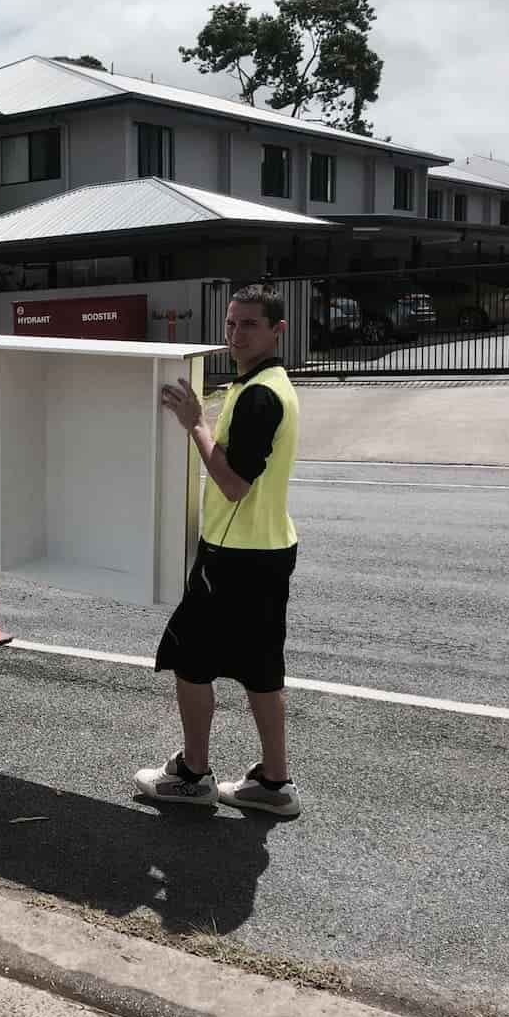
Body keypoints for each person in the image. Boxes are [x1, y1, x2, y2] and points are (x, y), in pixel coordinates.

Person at [135, 284, 302, 817]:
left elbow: (233, 484)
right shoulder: (264, 383)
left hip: (235, 557)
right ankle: (274, 784)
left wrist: (195, 426)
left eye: (249, 325)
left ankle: (192, 774)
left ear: (277, 330)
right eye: (231, 324)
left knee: (190, 659)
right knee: (261, 668)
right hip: (269, 549)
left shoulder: (259, 395)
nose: (235, 335)